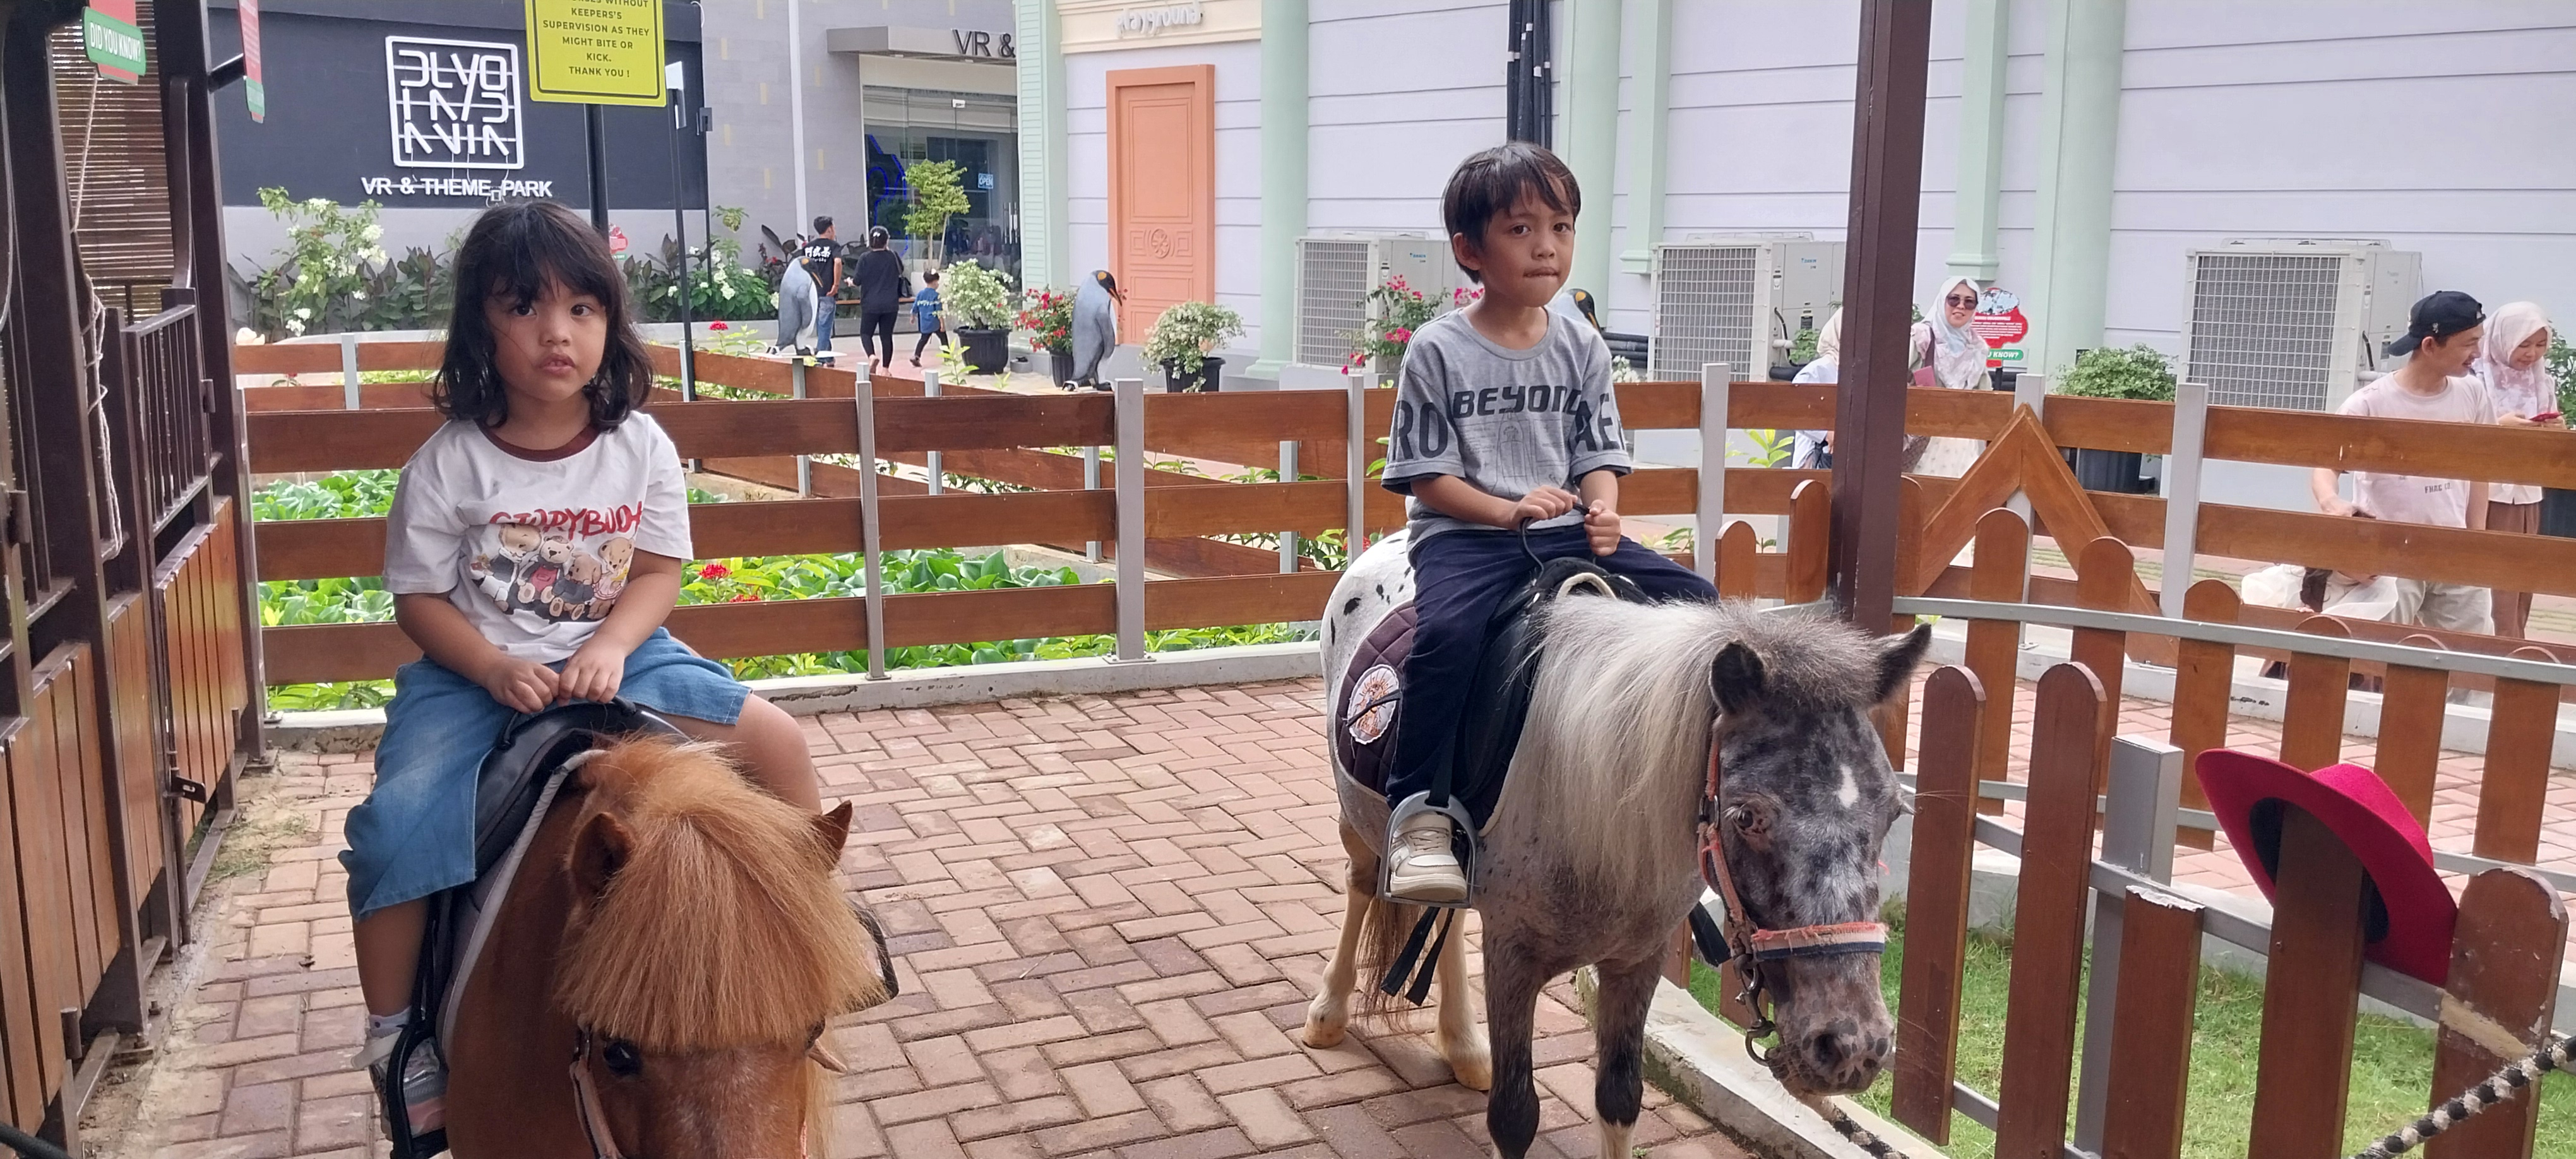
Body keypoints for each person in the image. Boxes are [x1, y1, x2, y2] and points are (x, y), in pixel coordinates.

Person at [343, 202, 825, 1135]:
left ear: (611, 323)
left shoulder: (638, 444)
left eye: (582, 309)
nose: (555, 333)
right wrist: (488, 666)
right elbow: (419, 602)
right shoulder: (447, 466)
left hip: (623, 653)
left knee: (780, 739)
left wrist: (610, 645)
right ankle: (398, 1037)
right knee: (395, 828)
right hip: (478, 674)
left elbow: (656, 573)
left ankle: (810, 938)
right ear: (480, 325)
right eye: (523, 307)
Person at [1376, 142, 1719, 905]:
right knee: (1447, 641)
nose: (1547, 247)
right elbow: (1425, 474)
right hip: (1466, 536)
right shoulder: (1437, 350)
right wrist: (1508, 510)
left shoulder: (1581, 344)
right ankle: (1418, 814)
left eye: (1561, 228)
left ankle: (1699, 802)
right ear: (1471, 250)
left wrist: (1603, 509)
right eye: (1522, 229)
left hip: (1563, 532)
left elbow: (1596, 449)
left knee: (1703, 604)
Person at [2310, 290, 2495, 634]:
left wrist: (2476, 539)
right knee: (2379, 658)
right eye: (2469, 344)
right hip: (2390, 555)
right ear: (2429, 346)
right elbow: (2325, 463)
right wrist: (2331, 502)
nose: (2477, 354)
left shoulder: (2473, 393)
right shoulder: (2369, 403)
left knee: (2472, 659)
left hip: (2454, 551)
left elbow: (2479, 470)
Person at [2472, 300, 2556, 638]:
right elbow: (2459, 432)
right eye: (2523, 344)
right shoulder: (2474, 377)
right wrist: (2498, 426)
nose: (2531, 354)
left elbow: (2550, 423)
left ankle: (2513, 646)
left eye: (2540, 345)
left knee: (2521, 579)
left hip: (2526, 493)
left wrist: (2553, 429)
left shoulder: (2541, 381)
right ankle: (2488, 648)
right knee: (2489, 577)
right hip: (2485, 492)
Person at [1908, 276, 1990, 476]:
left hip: (1963, 439)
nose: (1961, 307)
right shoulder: (1921, 336)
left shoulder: (1977, 346)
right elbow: (1889, 379)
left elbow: (1986, 396)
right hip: (1922, 432)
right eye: (1954, 299)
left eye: (1969, 302)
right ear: (1942, 300)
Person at [774, 216, 832, 356]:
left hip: (793, 317)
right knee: (821, 324)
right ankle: (798, 344)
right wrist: (806, 320)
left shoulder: (793, 274)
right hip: (800, 320)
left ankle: (796, 347)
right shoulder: (803, 279)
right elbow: (802, 296)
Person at [1792, 308, 1842, 469]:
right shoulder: (1818, 370)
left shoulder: (1860, 372)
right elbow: (1793, 409)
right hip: (1813, 463)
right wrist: (1827, 434)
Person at [851, 225, 905, 372]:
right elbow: (902, 270)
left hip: (870, 304)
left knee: (866, 333)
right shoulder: (893, 256)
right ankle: (886, 369)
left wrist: (850, 283)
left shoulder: (865, 258)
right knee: (886, 336)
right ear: (886, 240)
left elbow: (857, 281)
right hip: (890, 304)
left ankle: (871, 356)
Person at [794, 217, 842, 355]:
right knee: (825, 326)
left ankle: (828, 357)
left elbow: (801, 267)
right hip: (828, 291)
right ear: (830, 229)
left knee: (821, 325)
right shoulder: (834, 246)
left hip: (812, 293)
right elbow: (838, 262)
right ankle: (821, 357)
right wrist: (836, 285)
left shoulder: (808, 247)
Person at [1069, 270, 1123, 391]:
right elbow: (1103, 318)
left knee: (1085, 363)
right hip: (1097, 352)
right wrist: (1109, 347)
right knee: (1097, 355)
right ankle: (1100, 378)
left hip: (1083, 350)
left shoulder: (1085, 293)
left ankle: (1085, 377)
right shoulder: (1100, 299)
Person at [909, 268, 947, 367]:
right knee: (943, 338)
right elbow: (938, 311)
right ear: (935, 282)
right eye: (937, 282)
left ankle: (916, 356)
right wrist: (942, 324)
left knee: (923, 340)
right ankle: (948, 357)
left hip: (925, 322)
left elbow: (915, 307)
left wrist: (912, 316)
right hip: (935, 322)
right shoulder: (936, 296)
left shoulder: (920, 294)